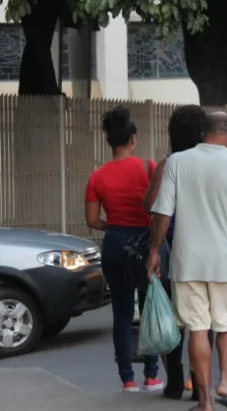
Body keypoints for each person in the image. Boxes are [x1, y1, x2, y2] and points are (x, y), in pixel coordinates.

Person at [147, 112, 227, 411]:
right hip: (226, 261)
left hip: (188, 262)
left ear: (202, 134)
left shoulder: (177, 163)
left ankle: (206, 401)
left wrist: (155, 251)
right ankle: (225, 382)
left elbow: (162, 212)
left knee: (197, 328)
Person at [85, 105, 168, 393]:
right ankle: (151, 375)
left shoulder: (97, 177)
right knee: (150, 308)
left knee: (120, 313)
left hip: (116, 243)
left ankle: (127, 379)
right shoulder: (148, 167)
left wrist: (111, 226)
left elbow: (92, 220)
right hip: (147, 243)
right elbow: (162, 206)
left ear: (109, 141)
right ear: (133, 139)